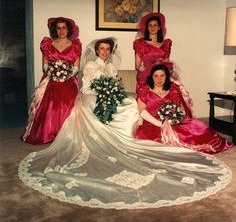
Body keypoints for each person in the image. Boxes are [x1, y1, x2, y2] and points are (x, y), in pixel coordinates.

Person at [18, 38, 231, 210]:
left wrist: (114, 91)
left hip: (109, 93)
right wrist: (102, 92)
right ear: (97, 50)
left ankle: (127, 136)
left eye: (107, 49)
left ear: (109, 52)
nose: (104, 52)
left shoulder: (111, 66)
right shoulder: (91, 65)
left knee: (129, 103)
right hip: (92, 94)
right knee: (98, 103)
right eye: (101, 48)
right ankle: (103, 135)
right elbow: (88, 86)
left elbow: (116, 83)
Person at [135, 64, 233, 154]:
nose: (159, 79)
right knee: (160, 141)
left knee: (201, 129)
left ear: (167, 77)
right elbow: (142, 111)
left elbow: (179, 109)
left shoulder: (173, 90)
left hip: (173, 122)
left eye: (162, 75)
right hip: (153, 123)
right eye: (156, 76)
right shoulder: (144, 91)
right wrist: (160, 124)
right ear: (151, 77)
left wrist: (175, 119)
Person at [21, 17, 82, 145]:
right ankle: (48, 133)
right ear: (55, 30)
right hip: (51, 79)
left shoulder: (75, 45)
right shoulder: (48, 44)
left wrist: (66, 75)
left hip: (68, 80)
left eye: (64, 28)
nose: (61, 31)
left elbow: (76, 67)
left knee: (67, 101)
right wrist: (52, 71)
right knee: (50, 102)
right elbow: (45, 65)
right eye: (58, 28)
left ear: (68, 29)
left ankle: (65, 135)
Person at [133, 12, 193, 117]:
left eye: (155, 25)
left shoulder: (166, 43)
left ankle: (172, 116)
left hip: (163, 73)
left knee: (176, 90)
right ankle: (150, 118)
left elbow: (167, 62)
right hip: (147, 75)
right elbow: (137, 66)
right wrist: (149, 69)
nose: (152, 27)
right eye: (150, 25)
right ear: (146, 28)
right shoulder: (141, 43)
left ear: (159, 27)